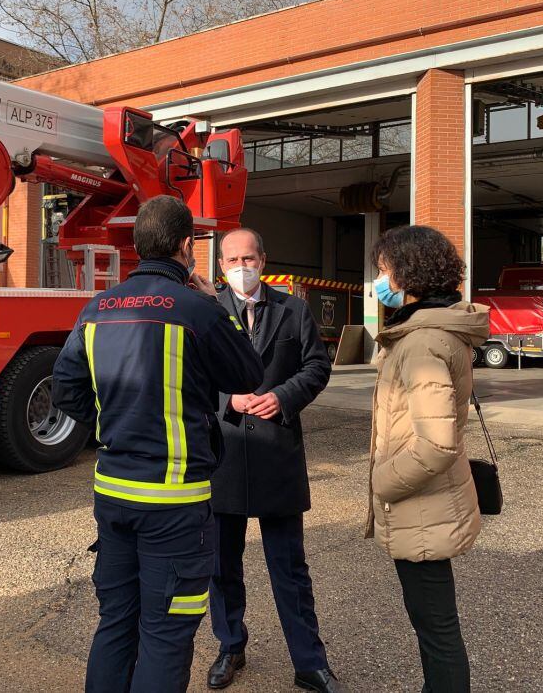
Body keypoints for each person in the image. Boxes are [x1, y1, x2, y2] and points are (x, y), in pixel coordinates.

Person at [51, 195, 264, 693]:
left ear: (138, 245)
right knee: (166, 635)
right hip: (175, 504)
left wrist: (112, 423)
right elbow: (248, 374)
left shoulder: (98, 307)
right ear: (187, 247)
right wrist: (217, 304)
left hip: (113, 494)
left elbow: (65, 389)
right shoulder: (197, 309)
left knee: (116, 625)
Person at [206, 228, 340, 693]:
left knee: (289, 567)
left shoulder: (294, 310)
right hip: (222, 456)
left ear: (263, 259)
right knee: (222, 566)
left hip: (279, 455)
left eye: (248, 257)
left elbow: (317, 367)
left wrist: (283, 396)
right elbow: (189, 374)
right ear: (220, 265)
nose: (241, 266)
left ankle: (309, 662)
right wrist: (229, 399)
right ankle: (230, 645)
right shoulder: (206, 313)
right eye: (231, 260)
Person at [365, 225, 490, 693]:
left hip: (421, 505)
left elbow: (435, 444)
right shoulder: (434, 331)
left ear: (406, 273)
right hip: (429, 504)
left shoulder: (421, 343)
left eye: (383, 271)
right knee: (433, 624)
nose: (379, 281)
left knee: (436, 628)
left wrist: (383, 482)